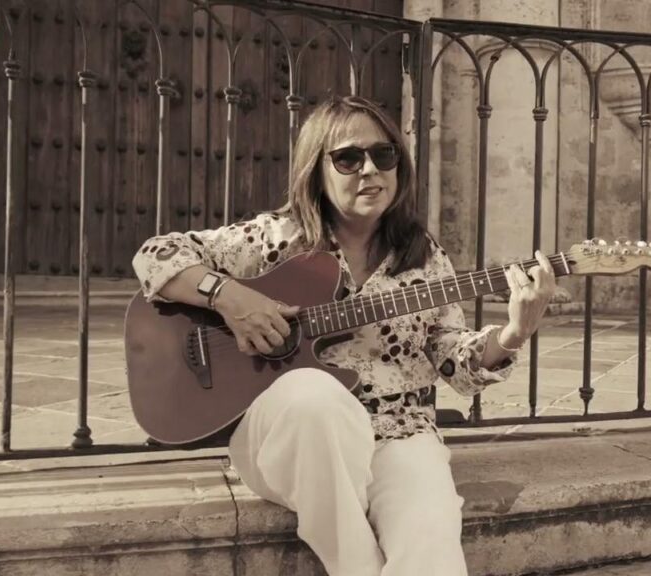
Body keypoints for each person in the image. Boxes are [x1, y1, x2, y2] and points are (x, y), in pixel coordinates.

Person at [132, 95, 556, 576]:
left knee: (431, 545)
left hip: (400, 433)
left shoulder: (422, 255)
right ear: (317, 168)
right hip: (291, 442)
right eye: (349, 157)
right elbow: (155, 253)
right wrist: (229, 298)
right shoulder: (276, 240)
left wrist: (516, 332)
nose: (370, 170)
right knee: (316, 394)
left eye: (384, 155)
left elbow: (451, 357)